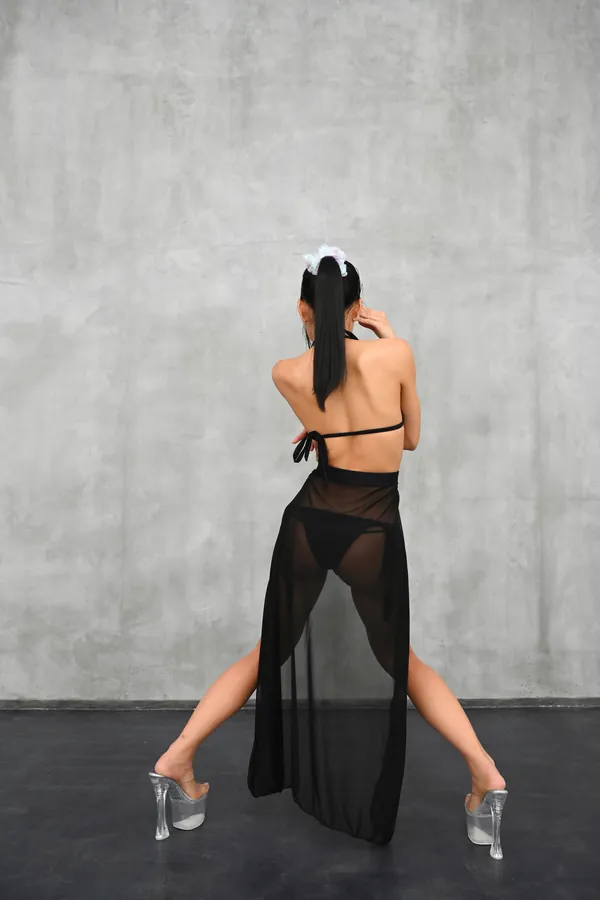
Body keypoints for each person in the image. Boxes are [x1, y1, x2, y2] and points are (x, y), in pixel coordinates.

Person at [148, 245, 507, 858]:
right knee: (402, 662)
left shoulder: (285, 372)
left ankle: (176, 759)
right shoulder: (395, 353)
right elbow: (410, 439)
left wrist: (321, 430)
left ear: (303, 308)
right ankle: (485, 775)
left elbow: (329, 418)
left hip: (310, 523)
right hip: (372, 527)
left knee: (267, 654)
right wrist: (389, 338)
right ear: (357, 306)